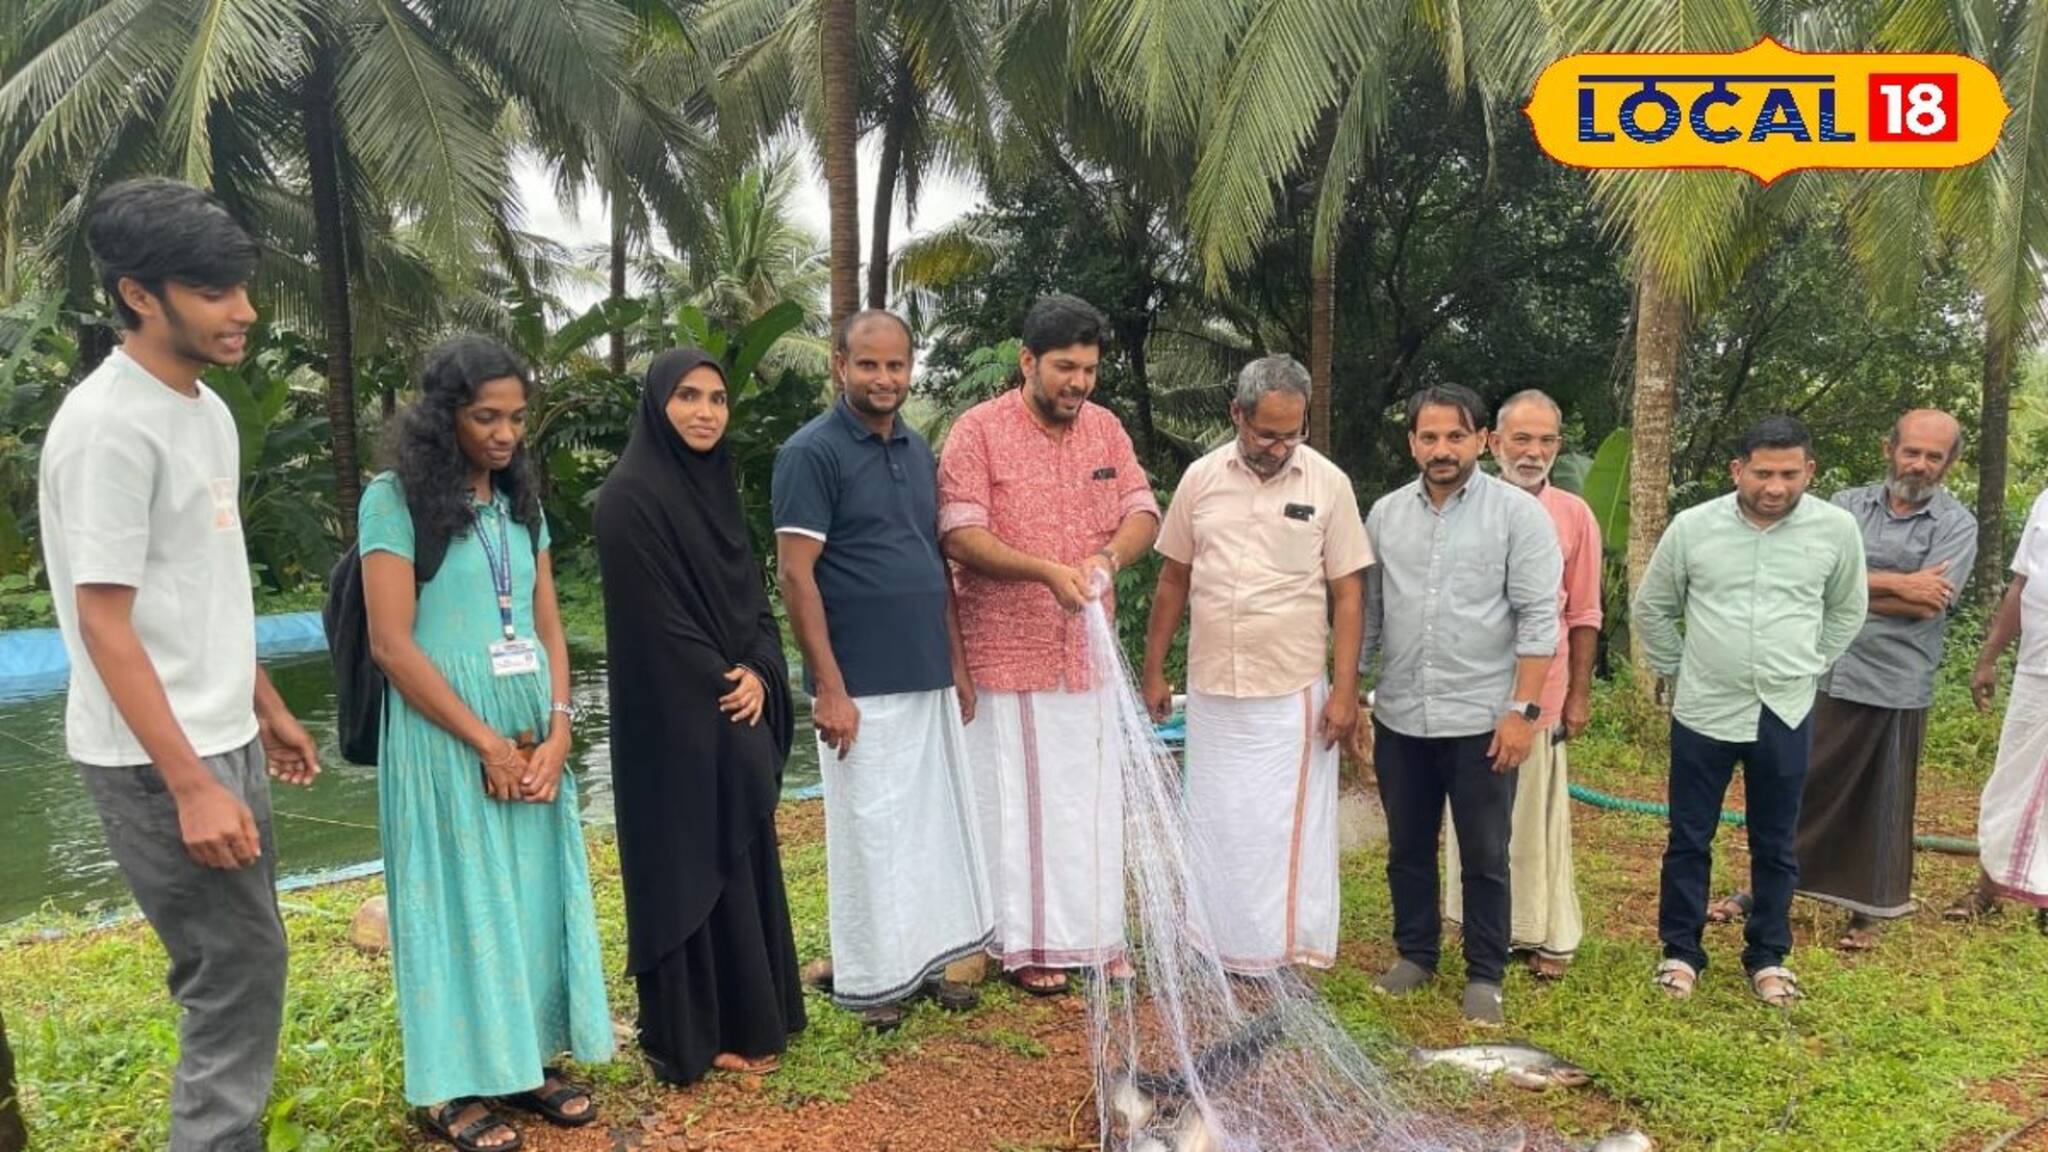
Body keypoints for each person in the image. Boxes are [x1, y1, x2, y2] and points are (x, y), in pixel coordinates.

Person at [37, 177, 322, 1152]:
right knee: (232, 977)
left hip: (221, 732)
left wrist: (264, 701)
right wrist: (192, 785)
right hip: (160, 759)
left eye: (240, 286)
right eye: (212, 291)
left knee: (243, 962)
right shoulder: (108, 428)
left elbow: (199, 581)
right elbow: (106, 624)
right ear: (137, 294)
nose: (241, 310)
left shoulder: (204, 409)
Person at [361, 334, 612, 1149]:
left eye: (516, 419)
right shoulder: (392, 503)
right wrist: (486, 746)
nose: (504, 435)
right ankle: (448, 1085)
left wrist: (558, 733)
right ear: (444, 418)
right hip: (447, 741)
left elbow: (547, 628)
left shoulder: (518, 507)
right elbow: (393, 645)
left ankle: (526, 1060)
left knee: (529, 897)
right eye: (485, 418)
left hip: (531, 732)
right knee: (457, 899)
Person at [937, 293, 1160, 996]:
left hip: (1087, 655)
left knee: (1088, 799)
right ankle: (1027, 944)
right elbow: (958, 534)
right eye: (1065, 367)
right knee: (1017, 806)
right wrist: (1042, 571)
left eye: (1089, 370)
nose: (1079, 383)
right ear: (1027, 361)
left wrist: (1108, 560)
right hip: (1008, 651)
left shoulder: (1106, 431)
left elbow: (1141, 511)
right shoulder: (977, 432)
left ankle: (1095, 935)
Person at [774, 311, 992, 1031]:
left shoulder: (917, 446)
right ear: (840, 365)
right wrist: (829, 688)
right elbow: (796, 578)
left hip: (925, 670)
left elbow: (934, 563)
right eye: (868, 365)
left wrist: (956, 663)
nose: (884, 379)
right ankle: (874, 979)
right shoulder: (811, 453)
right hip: (859, 681)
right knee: (872, 833)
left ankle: (926, 962)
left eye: (896, 366)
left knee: (927, 829)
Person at [595, 349, 808, 1084]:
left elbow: (752, 602)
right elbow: (655, 624)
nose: (705, 412)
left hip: (732, 700)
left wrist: (759, 672)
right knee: (689, 858)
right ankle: (691, 1031)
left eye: (717, 399)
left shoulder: (720, 491)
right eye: (687, 396)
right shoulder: (625, 498)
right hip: (671, 718)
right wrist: (727, 682)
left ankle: (753, 1016)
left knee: (740, 852)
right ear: (659, 404)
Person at [1141, 355, 1370, 974]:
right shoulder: (1200, 478)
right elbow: (1173, 578)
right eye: (1265, 432)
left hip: (1292, 686)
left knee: (1284, 827)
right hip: (1213, 684)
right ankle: (1215, 942)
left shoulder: (1327, 484)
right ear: (1235, 414)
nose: (1278, 446)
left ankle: (1284, 948)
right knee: (1219, 819)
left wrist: (1345, 691)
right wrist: (1154, 669)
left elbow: (1348, 593)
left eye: (1291, 433)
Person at [1711, 411, 1973, 948]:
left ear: (1950, 463)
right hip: (1824, 668)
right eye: (1911, 452)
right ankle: (1764, 889)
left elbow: (1930, 605)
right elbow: (1809, 578)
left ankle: (1868, 911)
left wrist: (1852, 586)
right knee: (1798, 785)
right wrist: (1900, 583)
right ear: (1889, 448)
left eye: (1933, 456)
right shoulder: (1845, 506)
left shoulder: (1956, 524)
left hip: (1897, 680)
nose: (1919, 465)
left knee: (1882, 798)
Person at [1634, 415, 1867, 1007]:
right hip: (1705, 709)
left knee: (1776, 841)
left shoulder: (1836, 531)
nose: (1775, 486)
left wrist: (1808, 663)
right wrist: (1680, 670)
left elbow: (1846, 610)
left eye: (1790, 473)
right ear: (1738, 470)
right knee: (1689, 836)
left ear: (1809, 471)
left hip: (1784, 710)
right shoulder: (1694, 528)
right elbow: (1654, 607)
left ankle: (1768, 957)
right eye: (1763, 472)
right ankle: (1680, 952)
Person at [1362, 384, 1561, 1027]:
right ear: (1411, 443)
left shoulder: (1518, 516)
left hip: (1483, 720)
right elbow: (1369, 615)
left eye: (1455, 436)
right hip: (1402, 715)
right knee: (1407, 846)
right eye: (1429, 437)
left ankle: (1485, 973)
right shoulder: (1386, 515)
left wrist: (1522, 714)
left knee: (1483, 852)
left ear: (1481, 440)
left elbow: (1538, 620)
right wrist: (1350, 691)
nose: (1442, 450)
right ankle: (1416, 954)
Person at [1443, 389, 1602, 980]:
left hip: (1542, 693)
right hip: (1468, 692)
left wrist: (1579, 695)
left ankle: (1542, 932)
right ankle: (1470, 920)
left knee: (1534, 818)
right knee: (1471, 820)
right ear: (1493, 443)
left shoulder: (1573, 515)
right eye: (1521, 440)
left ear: (1557, 447)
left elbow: (1584, 614)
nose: (1533, 452)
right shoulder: (1460, 504)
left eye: (1545, 441)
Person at [1960, 487, 2048, 926]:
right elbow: (2022, 583)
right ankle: (1989, 888)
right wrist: (1989, 657)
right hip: (2038, 669)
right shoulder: (2046, 501)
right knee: (2012, 777)